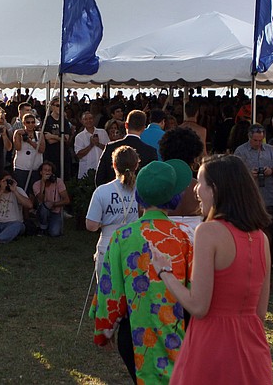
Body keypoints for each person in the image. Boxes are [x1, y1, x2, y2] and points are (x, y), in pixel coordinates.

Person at [151, 155, 273, 384]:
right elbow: (260, 313)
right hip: (252, 348)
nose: (196, 189)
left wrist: (165, 273)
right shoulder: (261, 239)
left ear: (215, 189)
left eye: (200, 182)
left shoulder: (208, 232)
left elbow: (199, 306)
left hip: (212, 346)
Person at [90, 160, 193, 383]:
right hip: (179, 332)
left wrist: (103, 331)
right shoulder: (186, 236)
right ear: (174, 196)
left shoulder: (122, 236)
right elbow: (196, 289)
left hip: (134, 336)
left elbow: (111, 291)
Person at [85, 146, 140, 270]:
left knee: (106, 288)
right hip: (135, 245)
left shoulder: (102, 191)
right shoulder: (142, 191)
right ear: (136, 165)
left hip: (108, 244)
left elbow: (91, 226)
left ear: (114, 165)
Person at [233, 124, 273, 244]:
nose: (258, 143)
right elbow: (234, 174)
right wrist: (248, 174)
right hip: (248, 196)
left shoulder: (270, 150)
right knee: (250, 228)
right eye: (255, 140)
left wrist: (271, 171)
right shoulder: (240, 151)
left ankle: (267, 256)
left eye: (261, 140)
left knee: (267, 228)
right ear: (249, 137)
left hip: (268, 196)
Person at [95, 110, 158, 186]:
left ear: (126, 125)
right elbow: (152, 181)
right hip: (138, 195)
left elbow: (99, 179)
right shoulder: (150, 152)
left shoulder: (110, 147)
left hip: (113, 194)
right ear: (143, 128)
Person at [32, 161, 70, 237]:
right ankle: (42, 228)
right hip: (42, 211)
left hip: (55, 212)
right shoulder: (36, 184)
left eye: (49, 170)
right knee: (45, 206)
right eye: (45, 170)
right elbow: (40, 199)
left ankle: (47, 227)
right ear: (41, 172)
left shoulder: (58, 182)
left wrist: (54, 204)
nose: (47, 172)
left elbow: (67, 200)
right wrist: (43, 182)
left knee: (54, 233)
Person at [11, 112, 44, 195]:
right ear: (24, 123)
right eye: (28, 122)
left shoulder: (39, 134)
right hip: (21, 167)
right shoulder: (18, 133)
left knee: (34, 192)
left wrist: (29, 141)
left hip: (35, 167)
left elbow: (41, 149)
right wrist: (19, 135)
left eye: (33, 122)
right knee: (21, 191)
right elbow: (18, 148)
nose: (30, 125)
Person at [74, 111, 108, 179]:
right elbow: (79, 155)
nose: (88, 121)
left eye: (90, 118)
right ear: (82, 121)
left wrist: (98, 144)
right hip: (86, 171)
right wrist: (91, 145)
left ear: (94, 119)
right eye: (86, 119)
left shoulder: (102, 132)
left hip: (101, 169)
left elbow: (108, 149)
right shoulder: (79, 137)